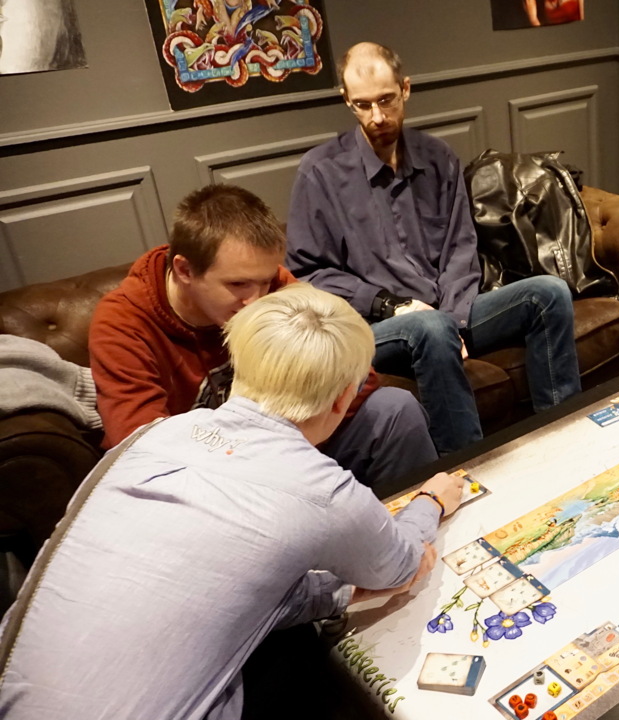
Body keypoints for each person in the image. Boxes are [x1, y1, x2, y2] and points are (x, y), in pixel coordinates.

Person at [0, 283, 466, 719]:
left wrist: (334, 592)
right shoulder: (322, 488)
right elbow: (403, 566)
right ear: (344, 397)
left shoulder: (152, 435)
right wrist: (431, 500)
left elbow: (219, 587)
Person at [287, 41, 581, 456]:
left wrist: (454, 319)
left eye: (386, 100)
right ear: (346, 100)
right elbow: (309, 273)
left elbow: (461, 246)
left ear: (405, 89)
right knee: (429, 327)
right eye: (362, 105)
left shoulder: (438, 157)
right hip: (376, 328)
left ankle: (563, 437)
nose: (377, 117)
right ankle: (465, 466)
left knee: (548, 294)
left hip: (448, 313)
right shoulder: (320, 172)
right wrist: (389, 304)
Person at [89, 183, 437, 490]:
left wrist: (294, 449)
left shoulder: (274, 285)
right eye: (237, 284)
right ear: (184, 270)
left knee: (395, 409)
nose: (256, 300)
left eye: (265, 281)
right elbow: (143, 451)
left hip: (288, 451)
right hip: (210, 478)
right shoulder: (123, 323)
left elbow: (353, 376)